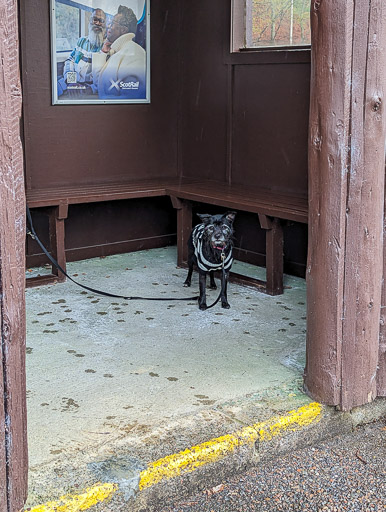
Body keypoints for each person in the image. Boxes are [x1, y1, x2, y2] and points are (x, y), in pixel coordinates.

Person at [92, 5, 146, 100]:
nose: (108, 26)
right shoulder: (117, 50)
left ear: (123, 30)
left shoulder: (134, 54)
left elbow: (130, 100)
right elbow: (99, 84)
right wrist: (103, 52)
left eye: (112, 23)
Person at [57, 8, 106, 97]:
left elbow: (106, 78)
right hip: (71, 82)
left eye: (101, 21)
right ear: (90, 21)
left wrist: (89, 89)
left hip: (87, 88)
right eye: (95, 19)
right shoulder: (81, 41)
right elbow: (70, 60)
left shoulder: (106, 47)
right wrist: (71, 82)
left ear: (105, 24)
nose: (97, 23)